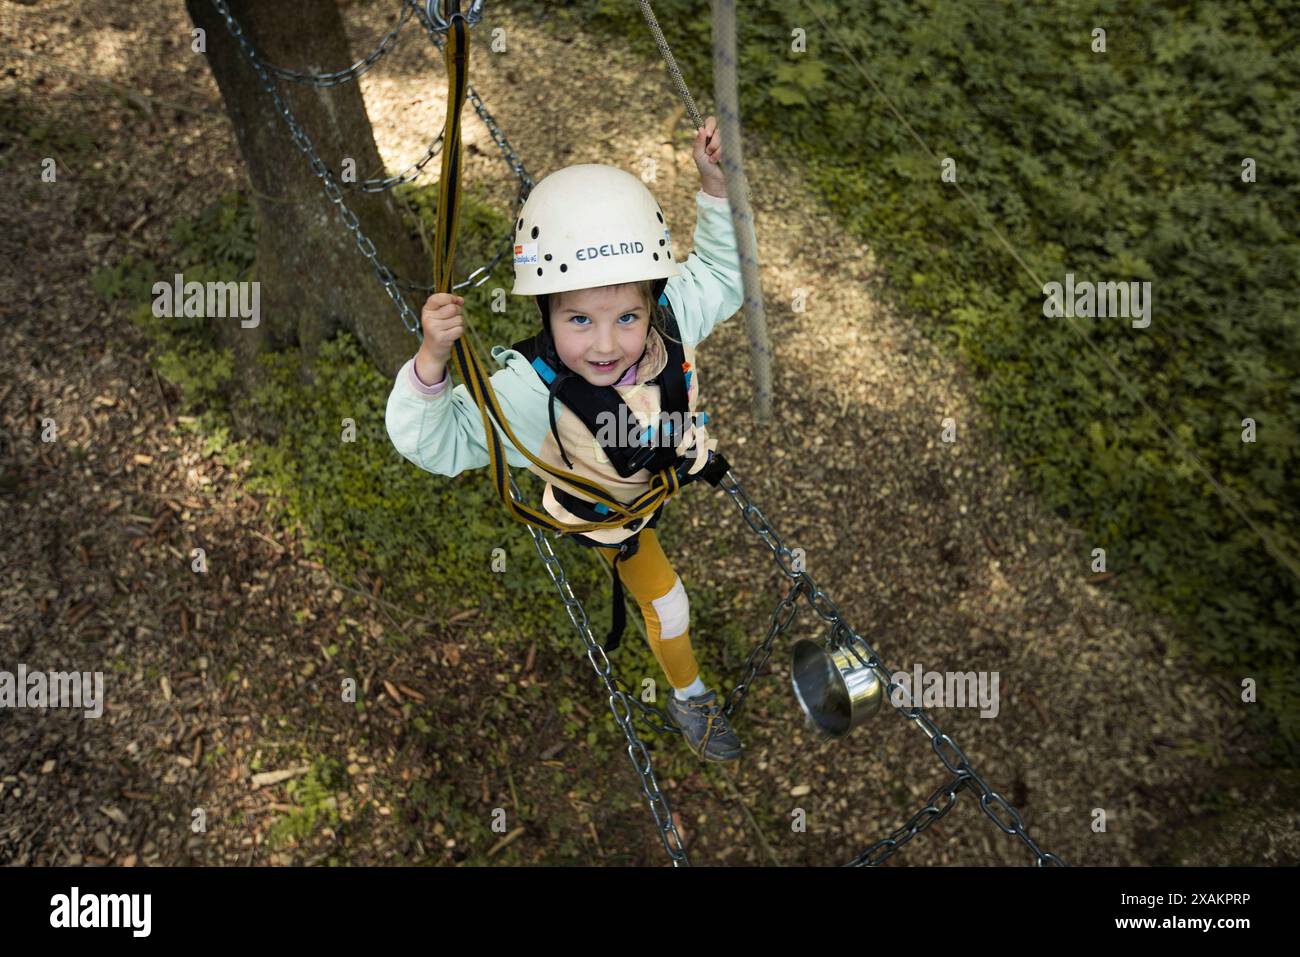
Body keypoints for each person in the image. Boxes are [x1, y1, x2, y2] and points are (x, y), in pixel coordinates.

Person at [385, 117, 751, 761]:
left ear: (652, 302)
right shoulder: (533, 392)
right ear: (545, 313)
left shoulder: (670, 318)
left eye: (626, 317)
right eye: (579, 319)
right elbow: (436, 445)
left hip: (658, 470)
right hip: (609, 515)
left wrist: (714, 185)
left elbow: (724, 275)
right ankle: (689, 694)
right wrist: (430, 365)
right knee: (669, 607)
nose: (605, 344)